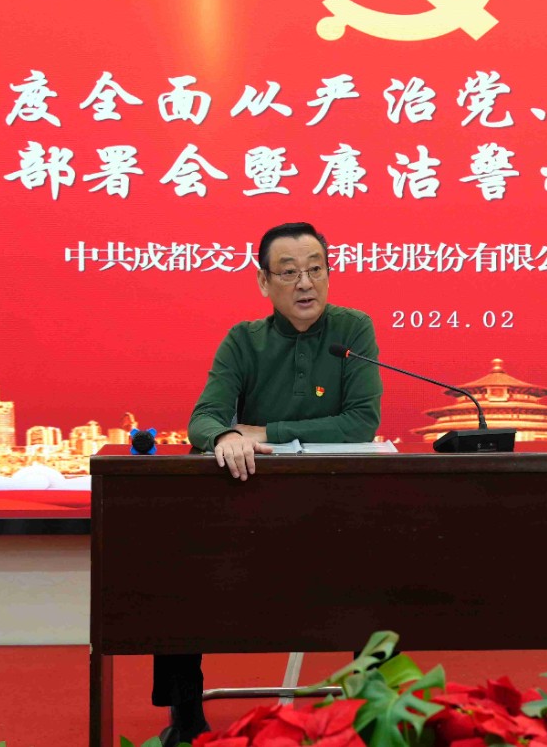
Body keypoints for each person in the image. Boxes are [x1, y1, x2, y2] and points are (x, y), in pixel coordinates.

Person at [152, 221, 384, 746]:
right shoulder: (244, 340)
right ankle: (185, 717)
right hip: (252, 504)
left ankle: (375, 706)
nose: (305, 283)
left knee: (384, 564)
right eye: (289, 272)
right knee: (176, 568)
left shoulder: (353, 330)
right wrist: (224, 436)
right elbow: (204, 418)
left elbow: (360, 423)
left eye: (316, 269)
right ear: (263, 282)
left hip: (338, 508)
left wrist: (264, 432)